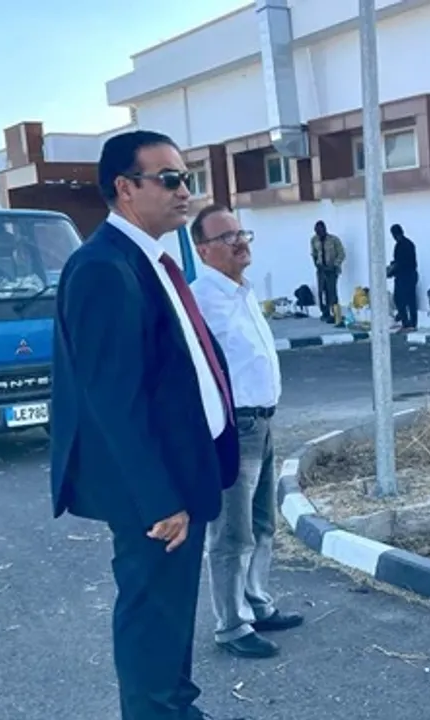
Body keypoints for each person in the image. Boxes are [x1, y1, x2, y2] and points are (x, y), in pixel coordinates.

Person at [49, 129, 243, 720]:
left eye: (187, 178)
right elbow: (113, 401)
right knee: (150, 615)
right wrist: (160, 499)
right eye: (170, 179)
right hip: (153, 492)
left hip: (182, 471)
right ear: (126, 188)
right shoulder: (103, 268)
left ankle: (177, 709)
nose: (185, 191)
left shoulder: (150, 259)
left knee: (171, 611)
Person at [189, 205, 303, 659]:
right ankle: (231, 625)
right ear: (202, 250)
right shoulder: (199, 301)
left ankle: (256, 602)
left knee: (262, 524)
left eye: (241, 233)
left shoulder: (243, 292)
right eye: (226, 237)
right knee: (231, 533)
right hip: (234, 428)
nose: (239, 242)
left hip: (264, 422)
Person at [309, 220, 345, 324]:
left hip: (332, 269)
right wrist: (317, 264)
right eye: (317, 231)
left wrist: (335, 265)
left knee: (332, 292)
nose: (318, 233)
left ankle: (335, 314)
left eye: (320, 231)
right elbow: (314, 253)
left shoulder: (334, 240)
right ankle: (325, 313)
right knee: (322, 292)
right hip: (321, 270)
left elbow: (341, 254)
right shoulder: (314, 240)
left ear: (324, 229)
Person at [388, 223, 418, 331]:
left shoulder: (400, 246)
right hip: (411, 275)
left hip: (404, 276)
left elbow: (400, 263)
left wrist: (390, 271)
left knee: (399, 299)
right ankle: (412, 323)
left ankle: (405, 322)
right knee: (411, 300)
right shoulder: (409, 243)